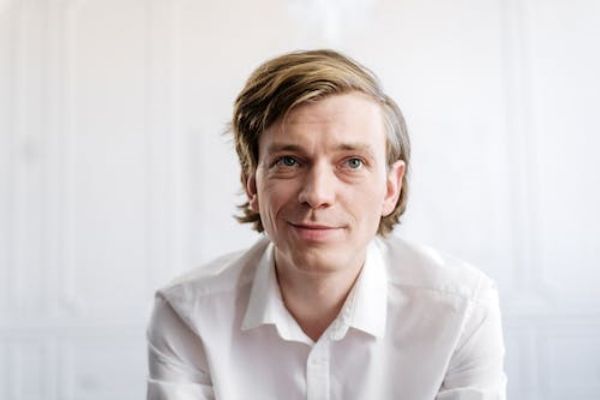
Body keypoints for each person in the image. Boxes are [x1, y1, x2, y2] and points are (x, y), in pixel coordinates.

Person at [146, 49, 507, 400]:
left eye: (352, 163)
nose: (317, 194)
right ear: (252, 185)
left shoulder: (462, 310)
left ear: (390, 187)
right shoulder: (187, 314)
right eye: (289, 161)